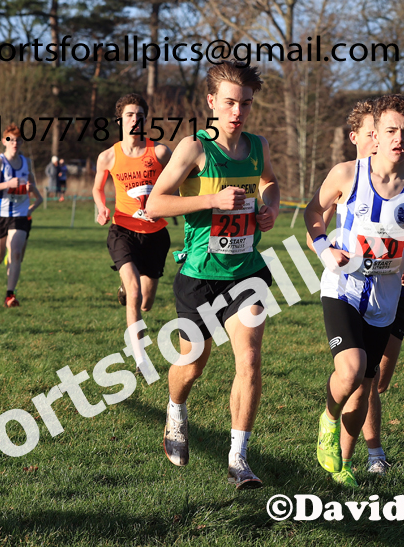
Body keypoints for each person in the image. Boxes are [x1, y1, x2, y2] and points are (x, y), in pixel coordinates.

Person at [147, 60, 280, 490]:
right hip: (200, 275)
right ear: (211, 102)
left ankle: (239, 458)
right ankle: (175, 410)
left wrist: (270, 207)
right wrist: (211, 201)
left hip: (247, 272)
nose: (237, 111)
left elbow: (270, 182)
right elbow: (155, 204)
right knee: (192, 365)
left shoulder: (258, 146)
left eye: (245, 103)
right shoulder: (194, 149)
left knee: (250, 359)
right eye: (229, 102)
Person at [305, 94, 404, 487]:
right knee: (351, 370)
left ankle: (342, 465)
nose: (399, 138)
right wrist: (325, 249)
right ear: (374, 134)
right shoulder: (348, 174)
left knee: (365, 388)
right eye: (391, 130)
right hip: (343, 288)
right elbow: (313, 212)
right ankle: (328, 419)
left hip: (385, 300)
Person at [92, 93, 173, 360]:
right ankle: (140, 358)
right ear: (119, 120)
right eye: (129, 115)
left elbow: (180, 182)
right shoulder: (107, 156)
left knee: (146, 302)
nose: (135, 120)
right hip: (122, 230)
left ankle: (126, 288)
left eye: (140, 115)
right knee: (135, 293)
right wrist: (101, 207)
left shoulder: (160, 152)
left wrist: (166, 205)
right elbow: (97, 188)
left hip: (155, 235)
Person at [0, 123, 43, 307]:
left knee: (15, 253)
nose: (14, 143)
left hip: (19, 214)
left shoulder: (26, 162)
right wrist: (7, 185)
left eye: (18, 140)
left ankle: (10, 295)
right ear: (4, 141)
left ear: (22, 142)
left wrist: (30, 197)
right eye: (10, 140)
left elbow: (33, 186)